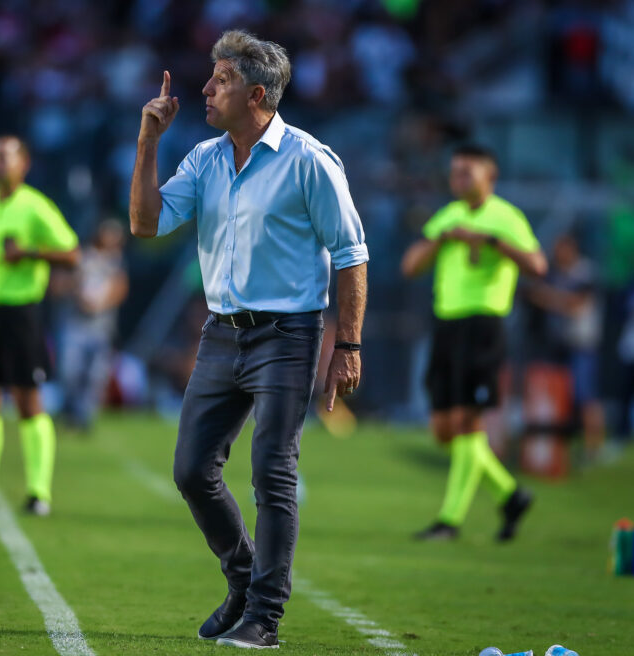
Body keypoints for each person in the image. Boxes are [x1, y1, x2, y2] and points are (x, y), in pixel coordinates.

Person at [130, 31, 368, 649]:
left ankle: (265, 617)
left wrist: (348, 346)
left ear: (256, 93)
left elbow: (351, 253)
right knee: (190, 471)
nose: (205, 89)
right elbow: (145, 222)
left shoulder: (310, 159)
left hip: (289, 335)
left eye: (221, 80)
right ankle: (241, 578)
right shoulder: (206, 158)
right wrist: (148, 141)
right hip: (221, 334)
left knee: (273, 472)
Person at [401, 144, 547, 541]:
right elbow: (411, 265)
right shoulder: (449, 215)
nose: (458, 178)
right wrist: (445, 238)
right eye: (455, 171)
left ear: (490, 176)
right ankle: (510, 493)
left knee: (468, 422)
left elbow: (537, 265)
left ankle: (449, 521)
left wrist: (491, 242)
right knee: (444, 429)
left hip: (484, 325)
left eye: (467, 171)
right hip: (446, 326)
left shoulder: (505, 217)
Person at [0, 136, 80, 516]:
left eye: (4, 157)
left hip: (20, 313)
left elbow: (72, 254)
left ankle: (39, 493)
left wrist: (29, 253)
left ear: (24, 164)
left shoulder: (36, 208)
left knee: (27, 400)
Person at [527, 234, 604, 458]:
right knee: (557, 393)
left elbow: (576, 304)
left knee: (585, 395)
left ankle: (593, 446)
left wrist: (549, 298)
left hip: (583, 343)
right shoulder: (555, 273)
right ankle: (553, 445)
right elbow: (534, 293)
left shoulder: (585, 271)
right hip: (559, 342)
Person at [58, 219, 129, 431]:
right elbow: (64, 282)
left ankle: (84, 416)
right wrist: (79, 293)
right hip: (77, 322)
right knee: (70, 369)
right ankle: (69, 408)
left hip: (101, 326)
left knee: (95, 375)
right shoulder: (83, 256)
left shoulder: (116, 262)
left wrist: (101, 303)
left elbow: (120, 288)